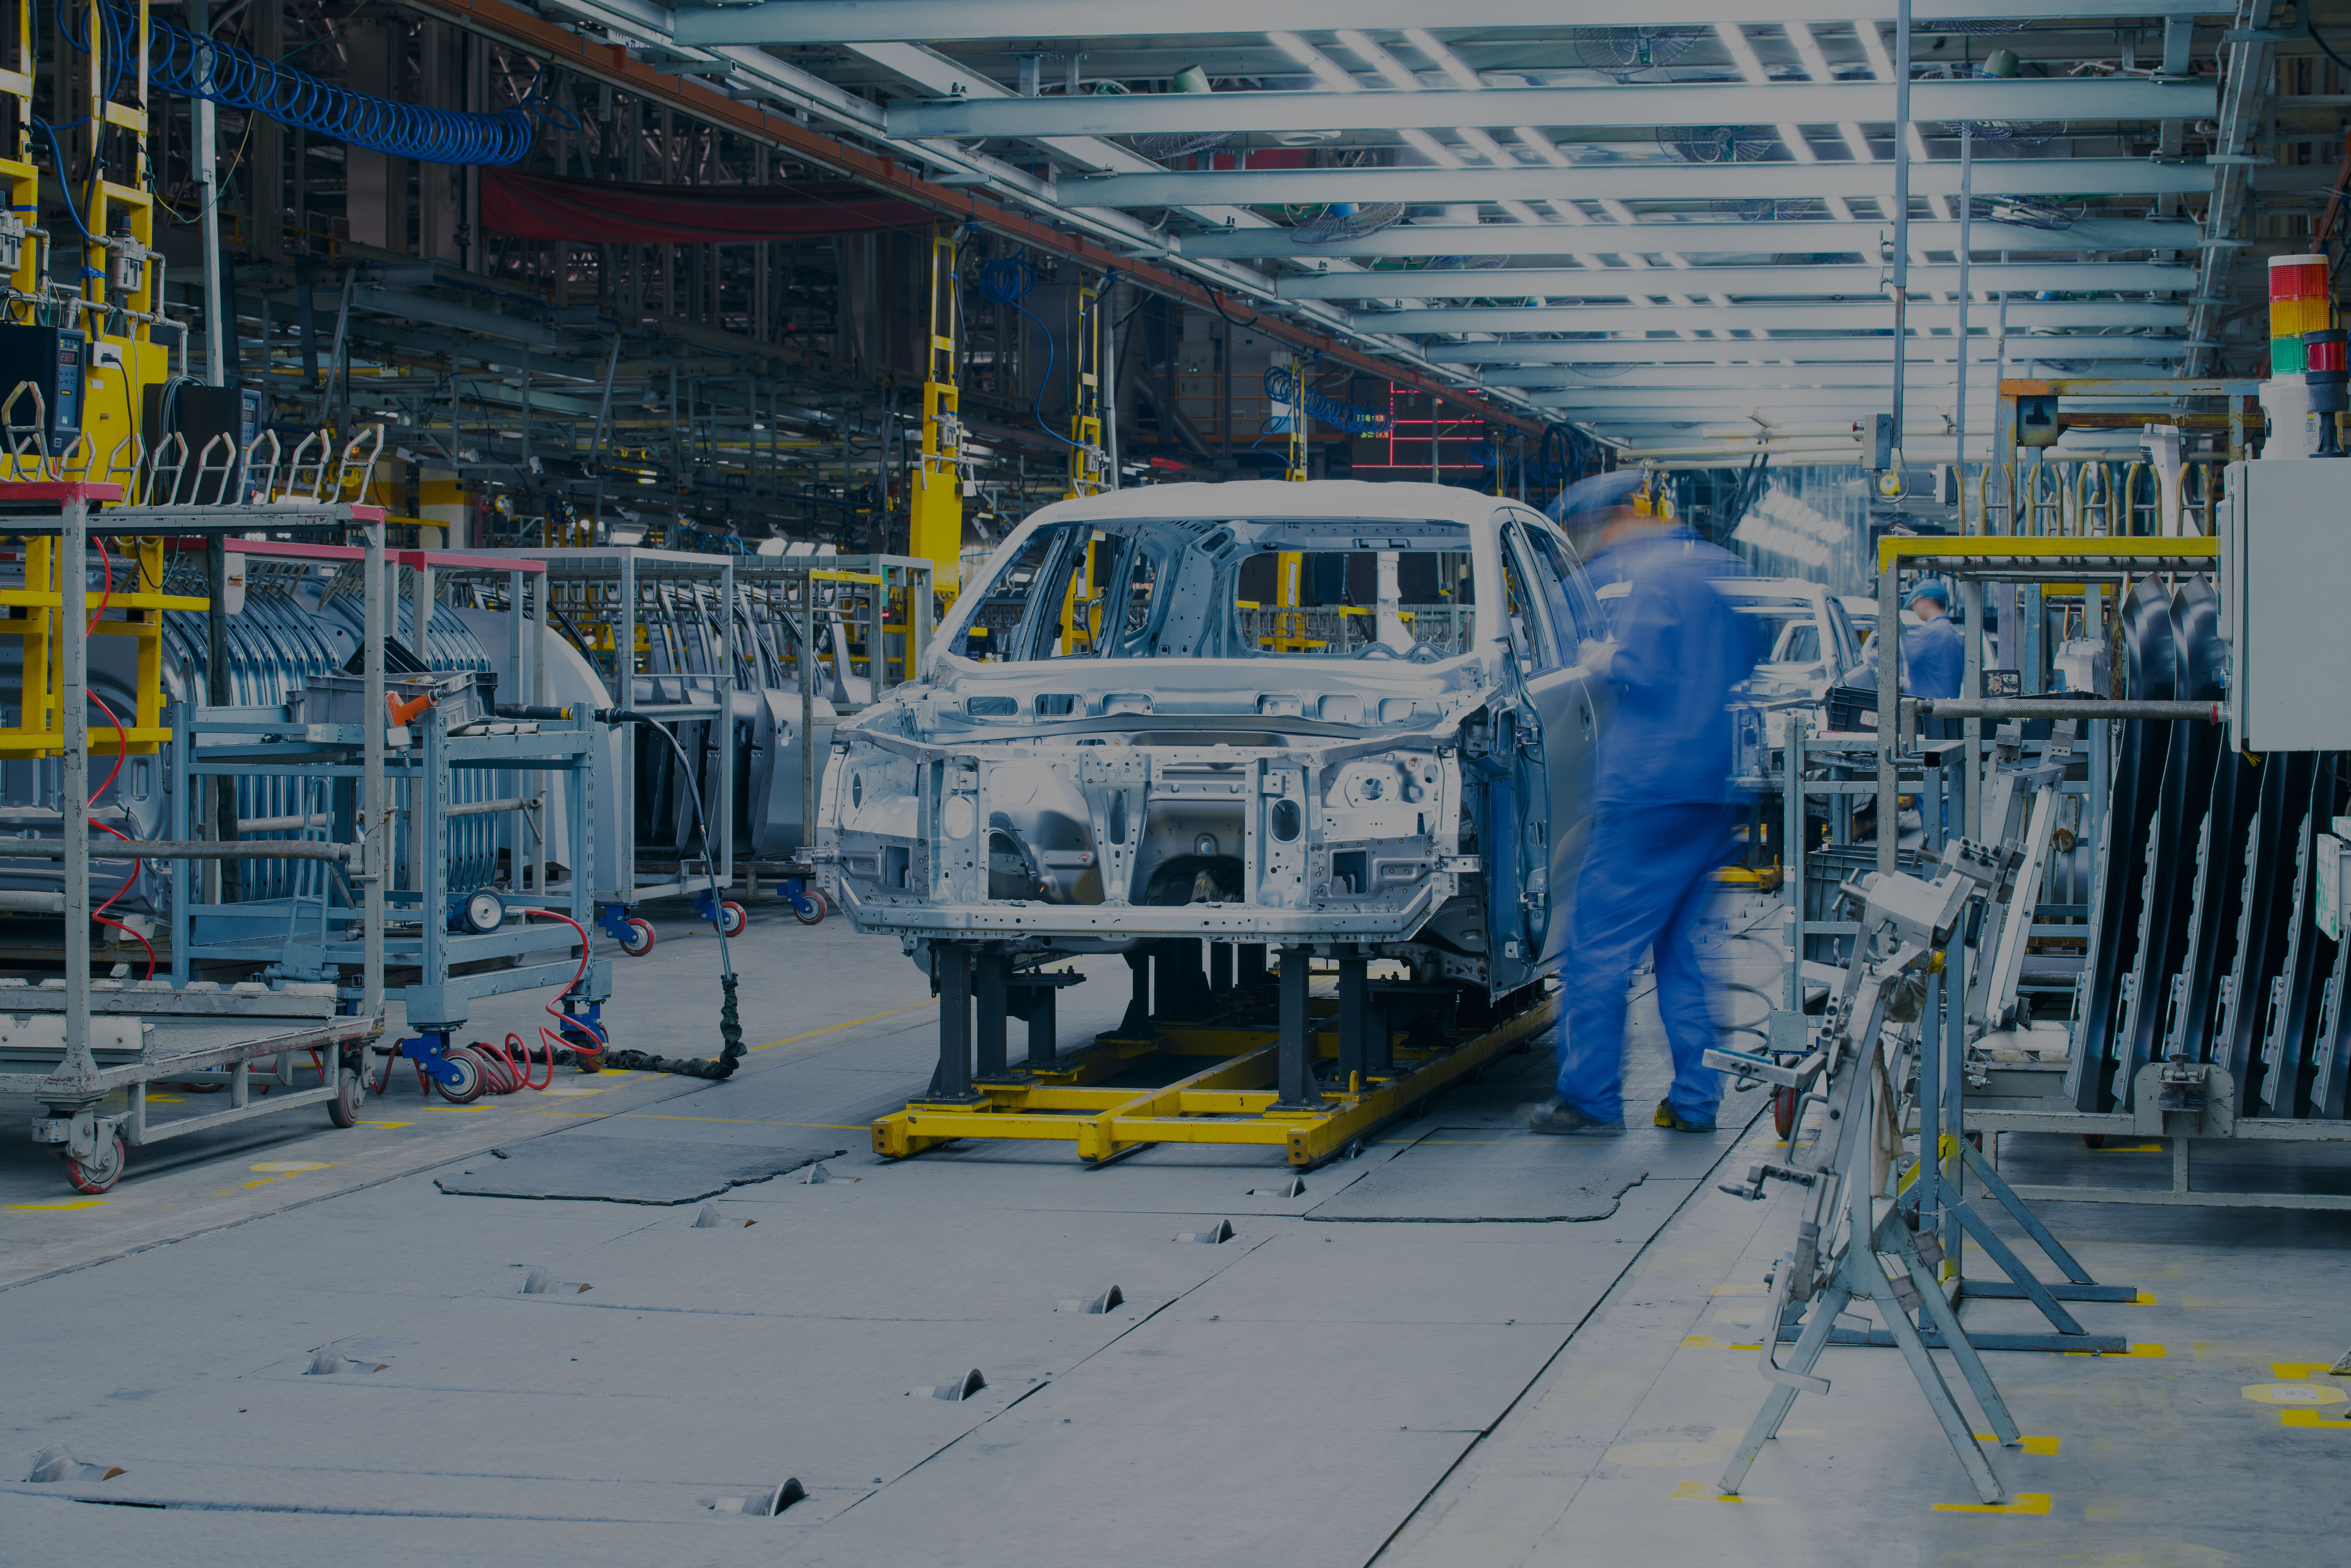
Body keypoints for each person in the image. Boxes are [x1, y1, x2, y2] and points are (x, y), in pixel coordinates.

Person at [1530, 472, 1760, 1137]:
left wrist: (1604, 656)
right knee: (1681, 950)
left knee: (1597, 948)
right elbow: (1740, 663)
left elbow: (1638, 667)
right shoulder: (1715, 568)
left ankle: (1589, 1099)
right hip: (1710, 788)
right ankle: (1694, 1099)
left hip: (1647, 790)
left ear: (1606, 520)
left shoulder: (1641, 577)